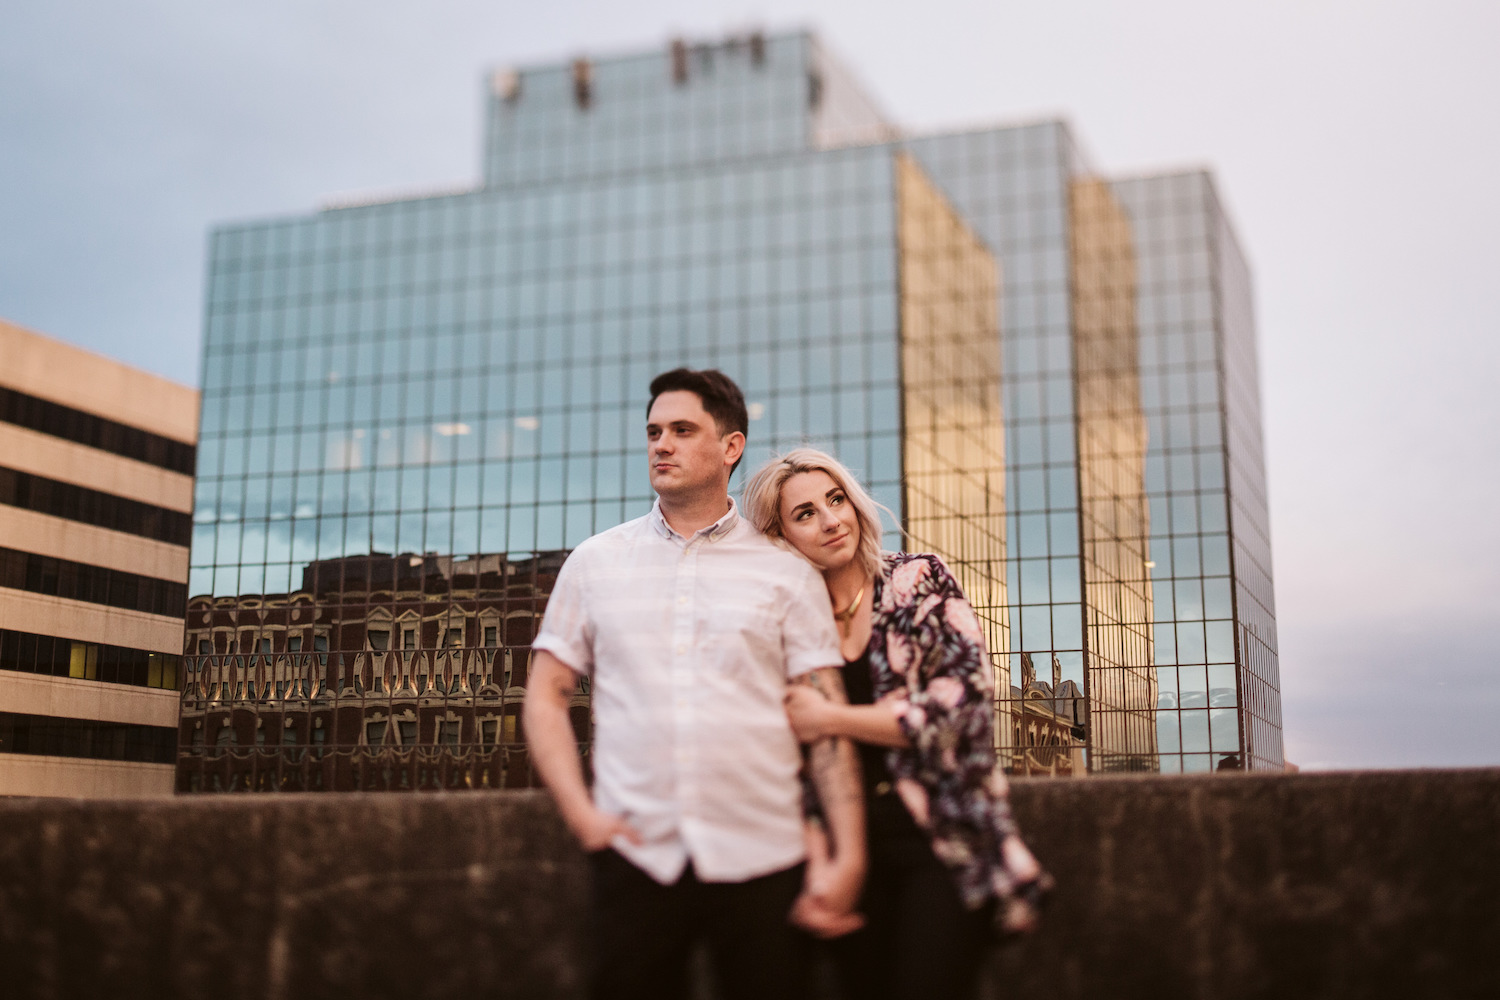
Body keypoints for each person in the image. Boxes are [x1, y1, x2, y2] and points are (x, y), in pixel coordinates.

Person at [524, 371, 867, 1000]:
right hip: (636, 859)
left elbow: (825, 715)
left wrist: (849, 855)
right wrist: (581, 815)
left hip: (765, 858)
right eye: (654, 431)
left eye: (683, 430)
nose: (662, 444)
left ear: (731, 446)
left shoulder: (786, 572)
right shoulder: (596, 561)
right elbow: (545, 691)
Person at [743, 447, 1051, 1000]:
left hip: (940, 838)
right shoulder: (784, 620)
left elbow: (962, 707)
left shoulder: (917, 579)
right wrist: (820, 863)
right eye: (805, 513)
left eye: (836, 499)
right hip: (849, 849)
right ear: (780, 536)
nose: (831, 519)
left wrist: (833, 717)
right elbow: (782, 759)